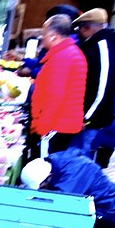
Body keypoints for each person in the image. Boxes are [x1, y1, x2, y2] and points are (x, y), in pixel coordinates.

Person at [28, 14, 87, 160]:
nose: (42, 37)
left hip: (55, 126)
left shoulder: (62, 57)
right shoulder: (70, 53)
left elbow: (54, 96)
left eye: (44, 33)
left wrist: (42, 128)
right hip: (61, 125)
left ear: (53, 36)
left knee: (44, 170)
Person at [72, 8, 115, 167]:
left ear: (87, 28)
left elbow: (102, 87)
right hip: (88, 116)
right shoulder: (95, 45)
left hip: (92, 120)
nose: (78, 33)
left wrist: (87, 117)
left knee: (82, 158)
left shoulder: (102, 47)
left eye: (80, 28)